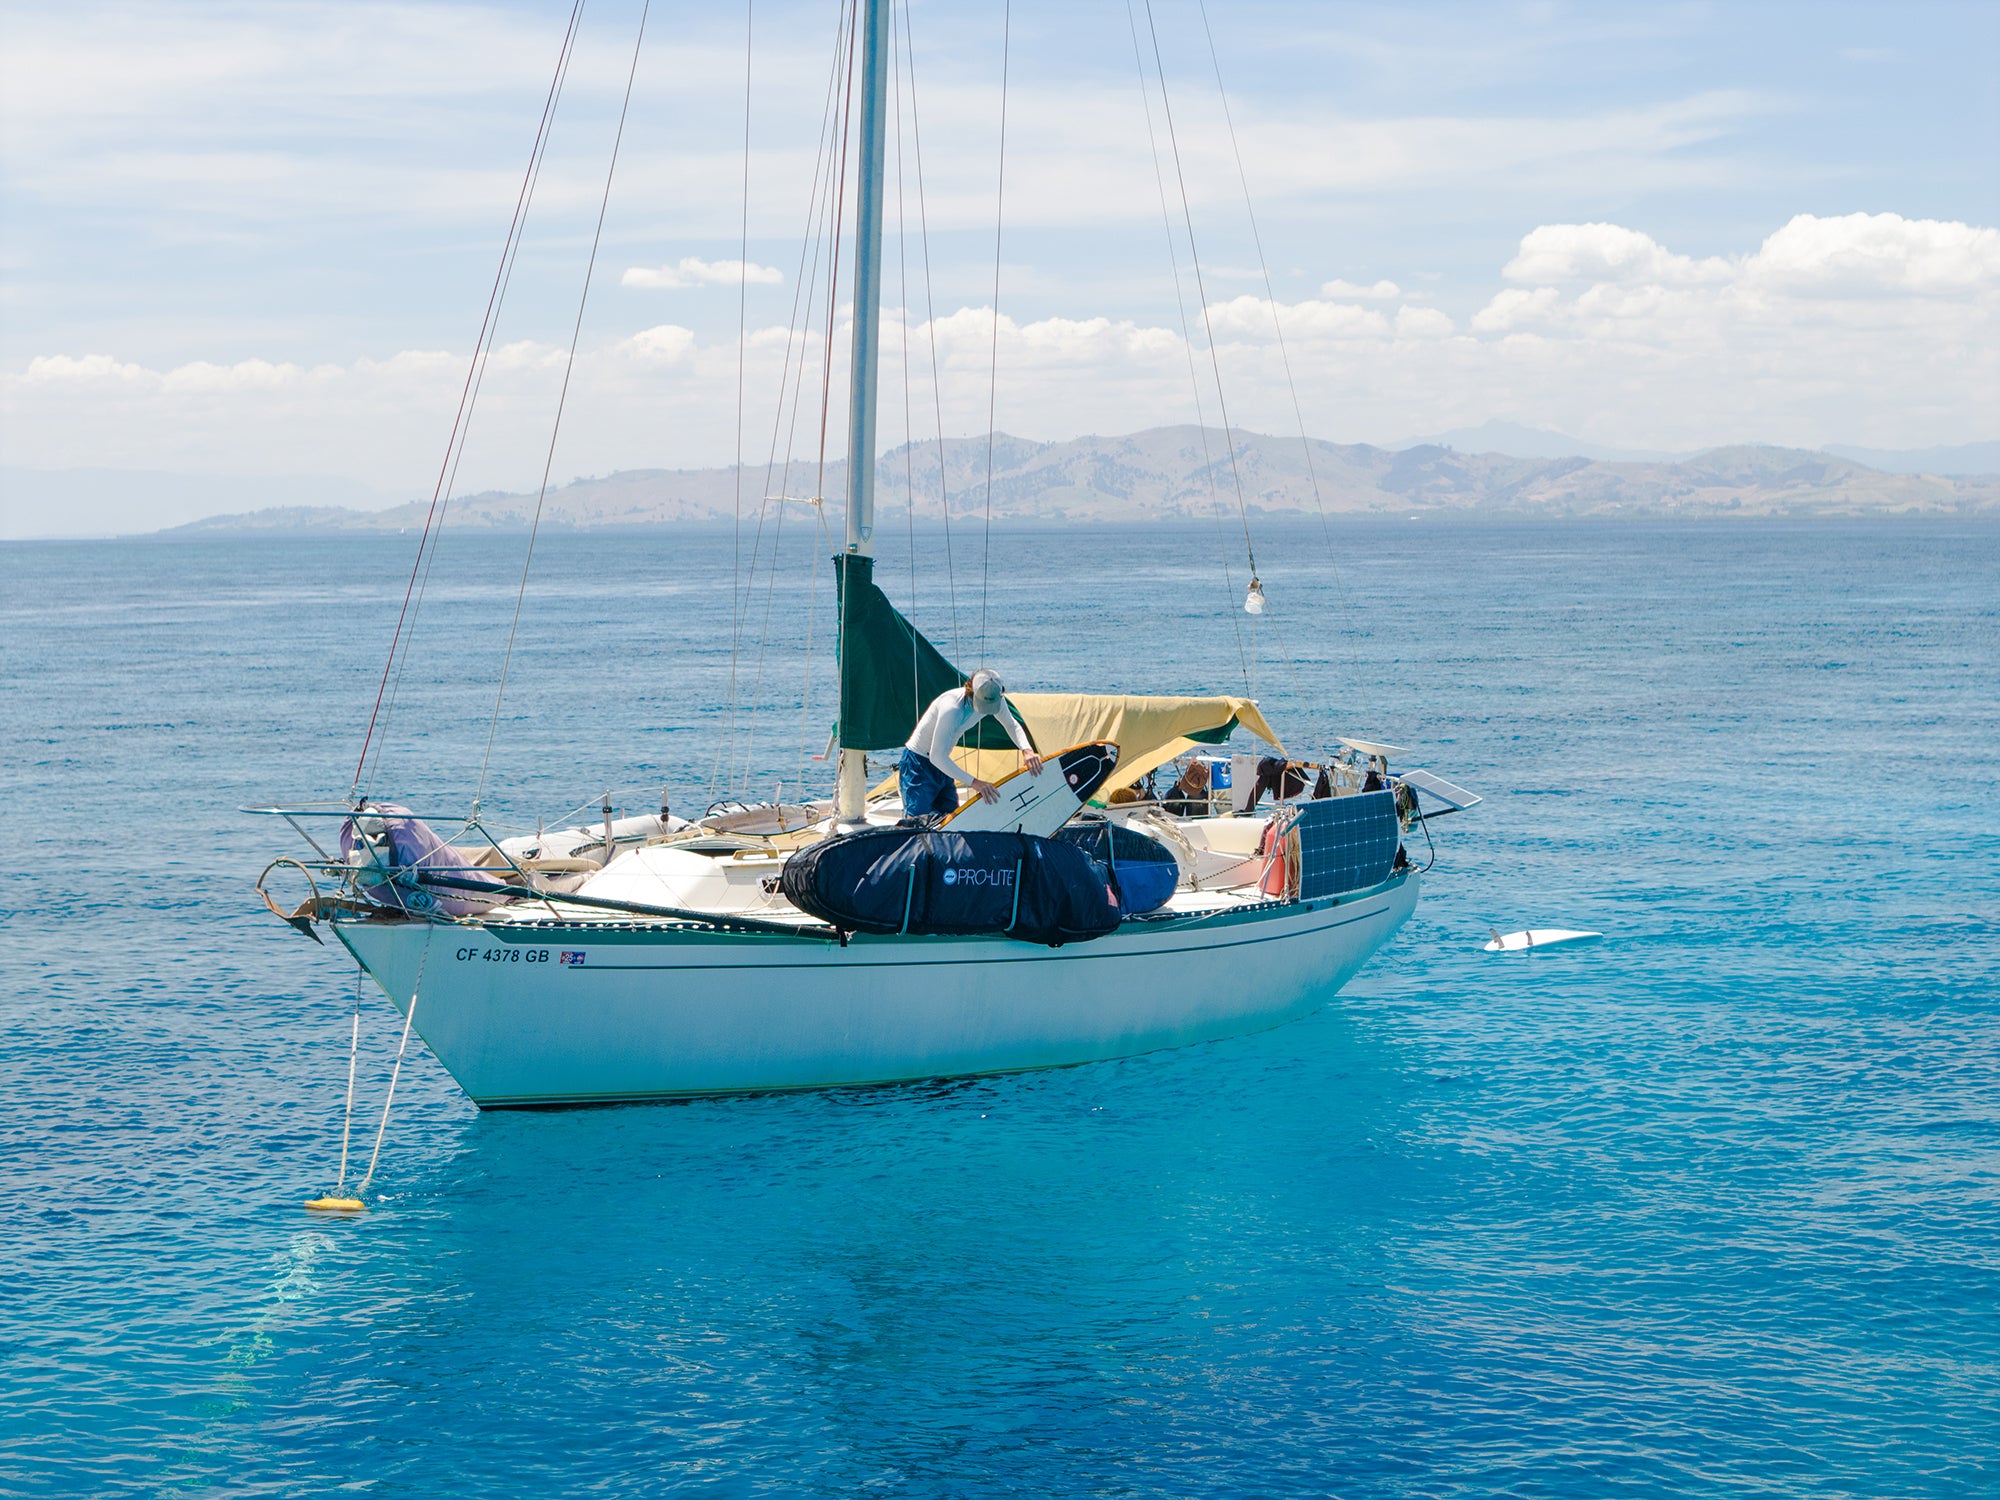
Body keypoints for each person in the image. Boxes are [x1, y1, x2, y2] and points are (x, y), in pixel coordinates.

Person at [900, 670, 1044, 819]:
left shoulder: (994, 697)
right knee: (917, 821)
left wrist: (1027, 750)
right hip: (919, 764)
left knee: (951, 820)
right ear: (972, 692)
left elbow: (1011, 725)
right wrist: (975, 783)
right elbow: (936, 756)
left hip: (943, 765)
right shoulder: (952, 708)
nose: (987, 709)